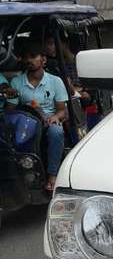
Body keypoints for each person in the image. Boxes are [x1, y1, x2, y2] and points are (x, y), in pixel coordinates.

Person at [6, 41, 68, 190]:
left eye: (33, 56)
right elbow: (10, 111)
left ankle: (52, 174)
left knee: (57, 131)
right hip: (26, 124)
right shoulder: (16, 82)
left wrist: (55, 117)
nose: (30, 61)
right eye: (27, 58)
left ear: (43, 59)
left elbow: (62, 111)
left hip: (47, 122)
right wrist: (9, 95)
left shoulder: (55, 81)